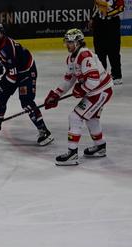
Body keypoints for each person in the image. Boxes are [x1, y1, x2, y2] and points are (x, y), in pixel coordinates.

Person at [44, 28, 113, 166]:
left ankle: (72, 153)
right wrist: (56, 94)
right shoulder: (71, 58)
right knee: (91, 118)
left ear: (78, 42)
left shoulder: (84, 55)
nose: (67, 45)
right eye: (67, 42)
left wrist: (81, 90)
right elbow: (69, 79)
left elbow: (93, 81)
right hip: (97, 91)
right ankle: (100, 147)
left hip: (100, 91)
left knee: (75, 117)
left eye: (70, 42)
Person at [0, 23, 53, 146]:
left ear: (1, 34)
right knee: (0, 96)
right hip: (15, 70)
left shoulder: (7, 47)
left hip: (27, 71)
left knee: (26, 101)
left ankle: (44, 131)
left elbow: (13, 76)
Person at [91, 0, 124, 85]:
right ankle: (101, 75)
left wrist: (108, 14)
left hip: (112, 25)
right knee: (99, 52)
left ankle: (117, 76)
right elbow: (95, 7)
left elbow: (121, 8)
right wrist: (92, 19)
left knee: (114, 52)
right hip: (99, 24)